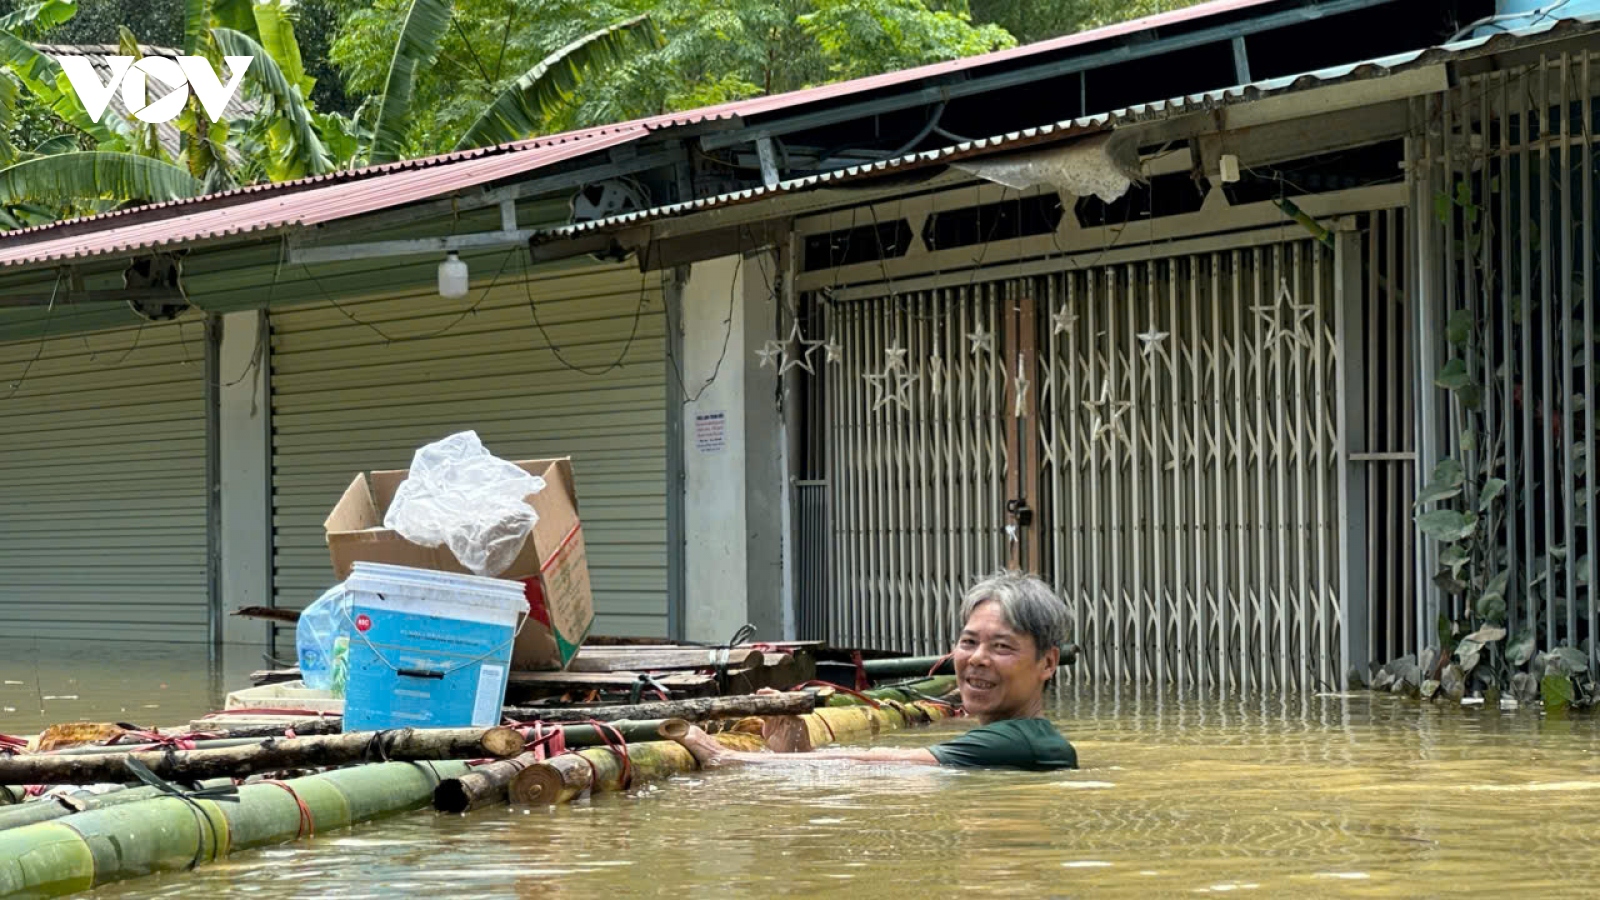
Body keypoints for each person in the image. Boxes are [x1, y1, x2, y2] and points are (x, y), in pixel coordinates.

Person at [675, 571, 1078, 771]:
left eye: (1002, 646)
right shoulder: (1021, 740)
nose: (977, 658)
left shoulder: (1016, 741)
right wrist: (795, 754)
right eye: (969, 642)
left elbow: (878, 767)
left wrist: (726, 757)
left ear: (1047, 663)